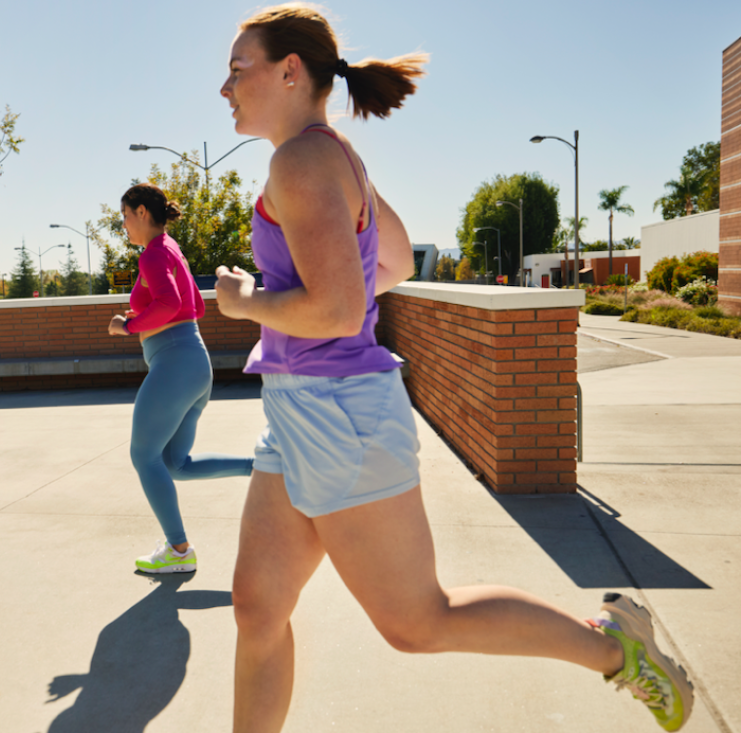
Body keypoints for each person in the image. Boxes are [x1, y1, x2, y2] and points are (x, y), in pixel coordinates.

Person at [213, 4, 693, 732]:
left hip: (338, 410)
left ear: (289, 72)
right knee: (257, 603)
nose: (225, 87)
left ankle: (614, 647)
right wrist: (313, 300)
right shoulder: (332, 156)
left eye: (237, 69)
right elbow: (396, 262)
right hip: (303, 408)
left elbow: (341, 311)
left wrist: (250, 302)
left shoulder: (302, 160)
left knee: (417, 620)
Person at [109, 183, 254, 574]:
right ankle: (264, 467)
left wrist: (129, 325)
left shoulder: (154, 255)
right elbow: (194, 308)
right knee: (175, 463)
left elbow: (171, 303)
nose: (123, 225)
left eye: (124, 216)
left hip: (175, 364)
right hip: (193, 363)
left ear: (142, 212)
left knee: (143, 455)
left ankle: (178, 551)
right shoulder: (171, 250)